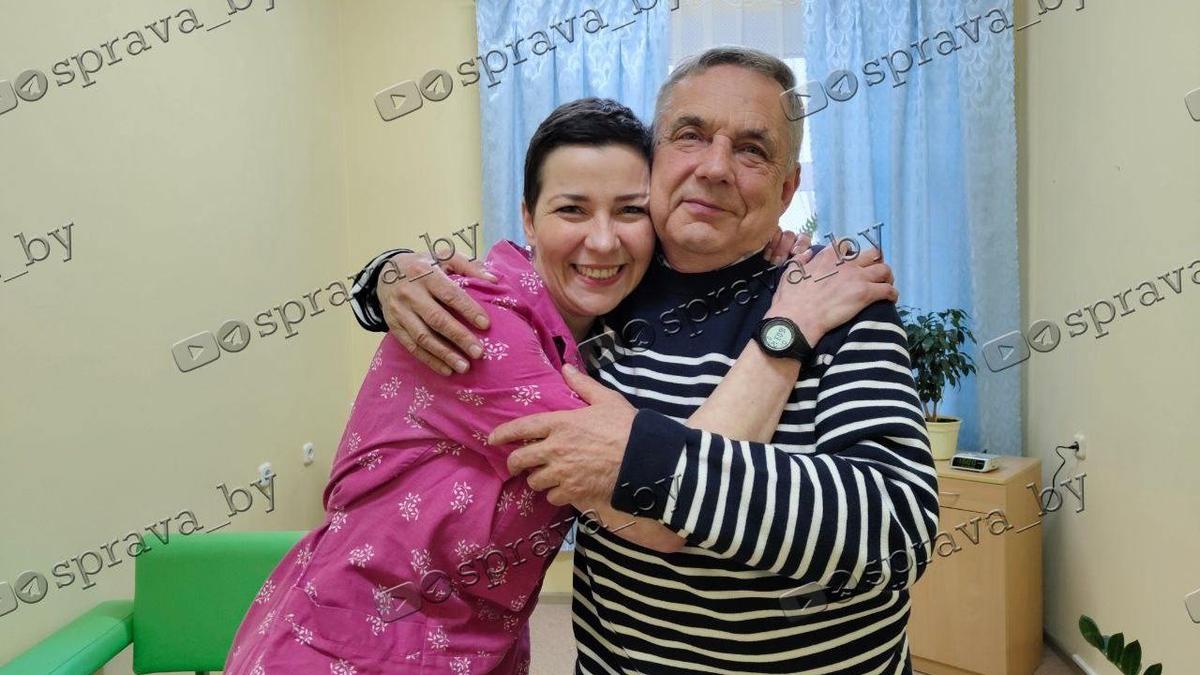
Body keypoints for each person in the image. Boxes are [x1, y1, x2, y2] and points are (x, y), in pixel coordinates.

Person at [348, 47, 938, 674]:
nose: (714, 167)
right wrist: (386, 276)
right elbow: (498, 287)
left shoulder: (832, 297)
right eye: (691, 136)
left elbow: (899, 530)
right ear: (655, 161)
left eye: (751, 150)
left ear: (787, 188)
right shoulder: (602, 291)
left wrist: (640, 458)